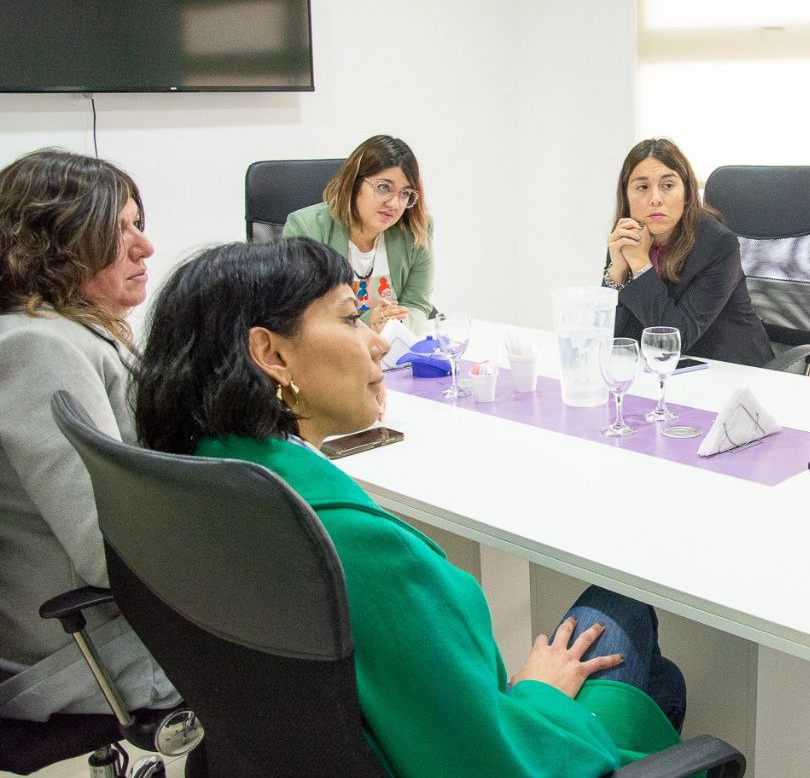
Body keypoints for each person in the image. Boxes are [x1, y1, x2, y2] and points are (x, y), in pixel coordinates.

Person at [133, 239, 687, 776]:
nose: (379, 342)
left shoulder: (195, 485)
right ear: (271, 354)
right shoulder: (356, 549)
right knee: (622, 608)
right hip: (487, 753)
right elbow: (494, 762)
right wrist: (539, 694)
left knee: (661, 681)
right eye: (352, 319)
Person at [0, 149, 179, 720]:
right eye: (118, 229)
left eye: (138, 224)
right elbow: (109, 552)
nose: (145, 246)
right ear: (53, 245)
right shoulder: (40, 347)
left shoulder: (69, 333)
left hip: (109, 629)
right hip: (83, 652)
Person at [605, 138, 772, 367]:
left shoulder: (719, 245)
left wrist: (641, 266)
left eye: (667, 185)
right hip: (661, 371)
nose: (655, 199)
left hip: (729, 371)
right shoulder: (627, 239)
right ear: (626, 196)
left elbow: (675, 339)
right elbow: (611, 339)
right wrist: (616, 274)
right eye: (642, 187)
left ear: (686, 194)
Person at [284, 134, 435, 335]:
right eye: (383, 188)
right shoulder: (307, 228)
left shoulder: (415, 229)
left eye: (405, 193)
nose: (394, 204)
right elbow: (304, 313)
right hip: (329, 353)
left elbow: (416, 303)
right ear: (354, 184)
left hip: (388, 353)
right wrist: (367, 322)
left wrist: (396, 326)